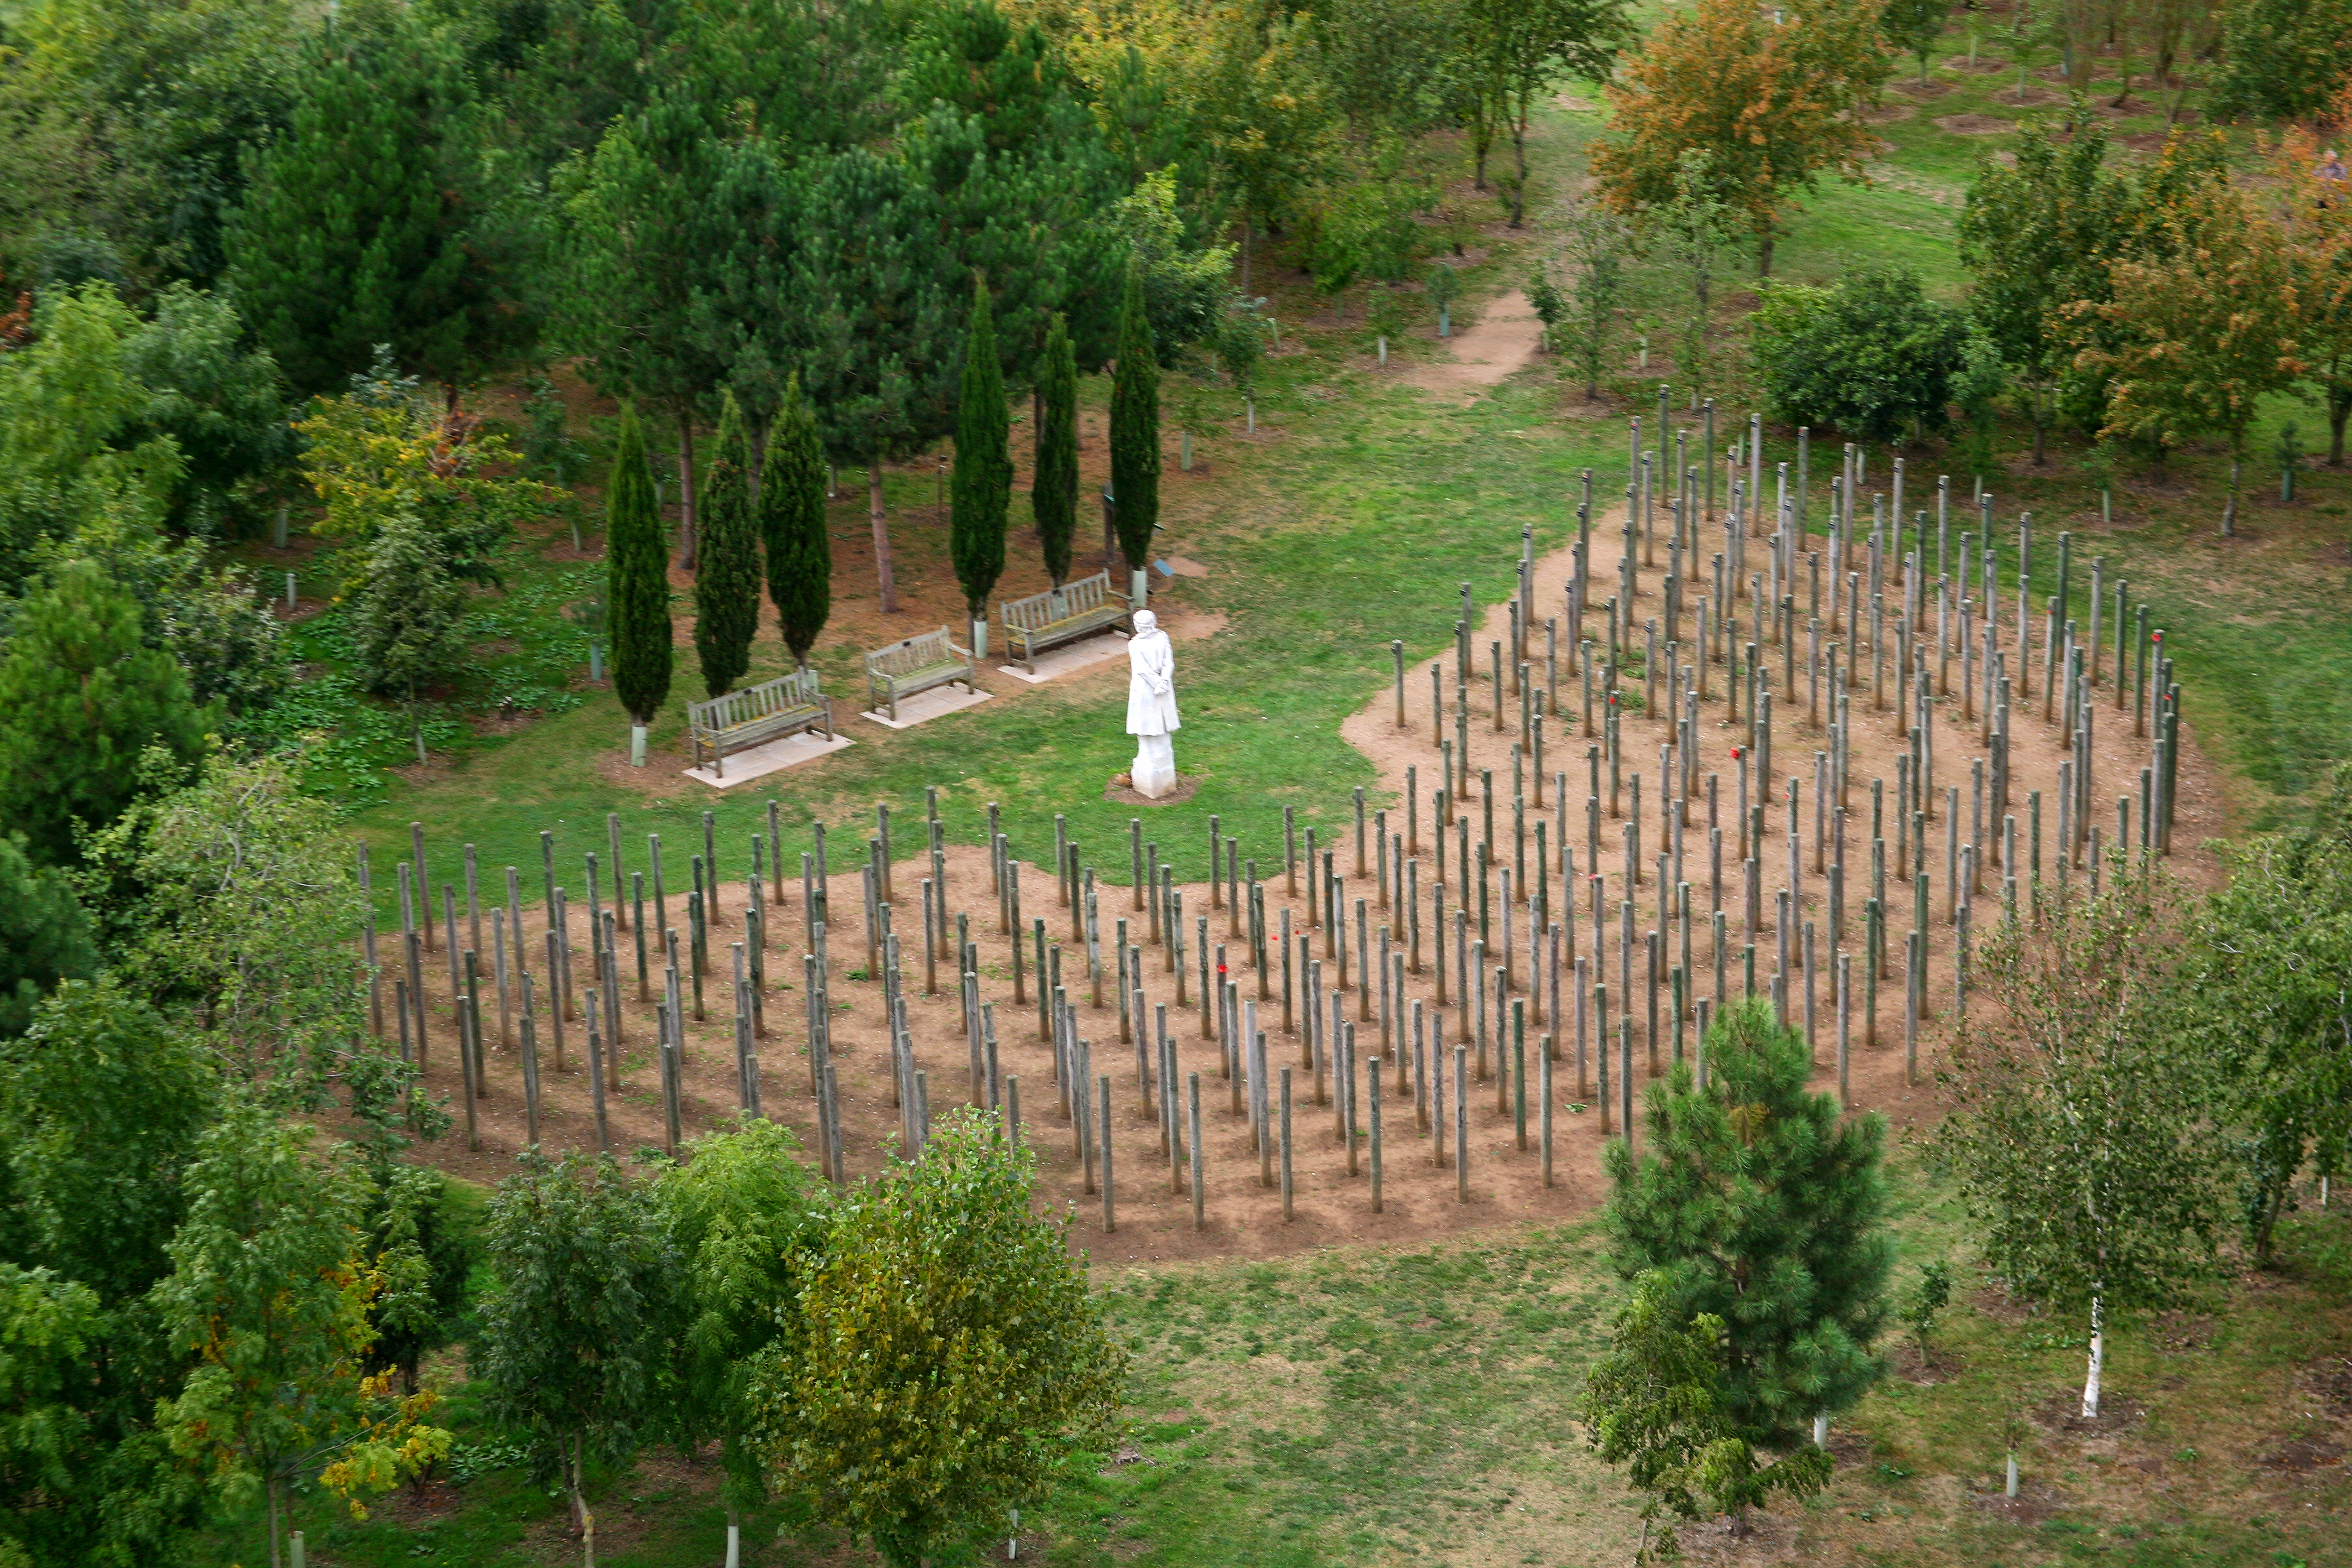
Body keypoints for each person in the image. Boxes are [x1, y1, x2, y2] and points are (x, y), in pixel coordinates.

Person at [1119, 608, 1180, 798]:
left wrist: (1157, 683)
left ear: (1139, 625)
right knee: (1158, 722)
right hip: (1162, 689)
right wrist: (1164, 681)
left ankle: (1150, 757)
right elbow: (1168, 662)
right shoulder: (1163, 637)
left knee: (1146, 723)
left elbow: (1142, 669)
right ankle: (1153, 758)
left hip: (1146, 690)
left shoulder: (1135, 644)